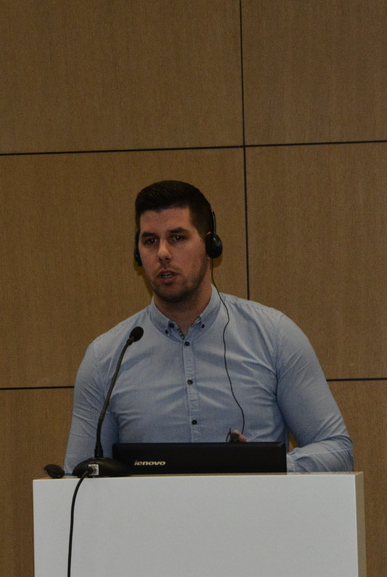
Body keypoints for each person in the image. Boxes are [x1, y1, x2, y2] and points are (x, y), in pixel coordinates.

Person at [64, 180, 353, 474]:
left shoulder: (273, 336)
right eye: (150, 241)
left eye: (177, 238)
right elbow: (78, 474)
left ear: (210, 245)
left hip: (254, 505)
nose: (162, 253)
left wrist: (264, 466)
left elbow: (337, 449)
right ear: (138, 254)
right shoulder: (106, 358)